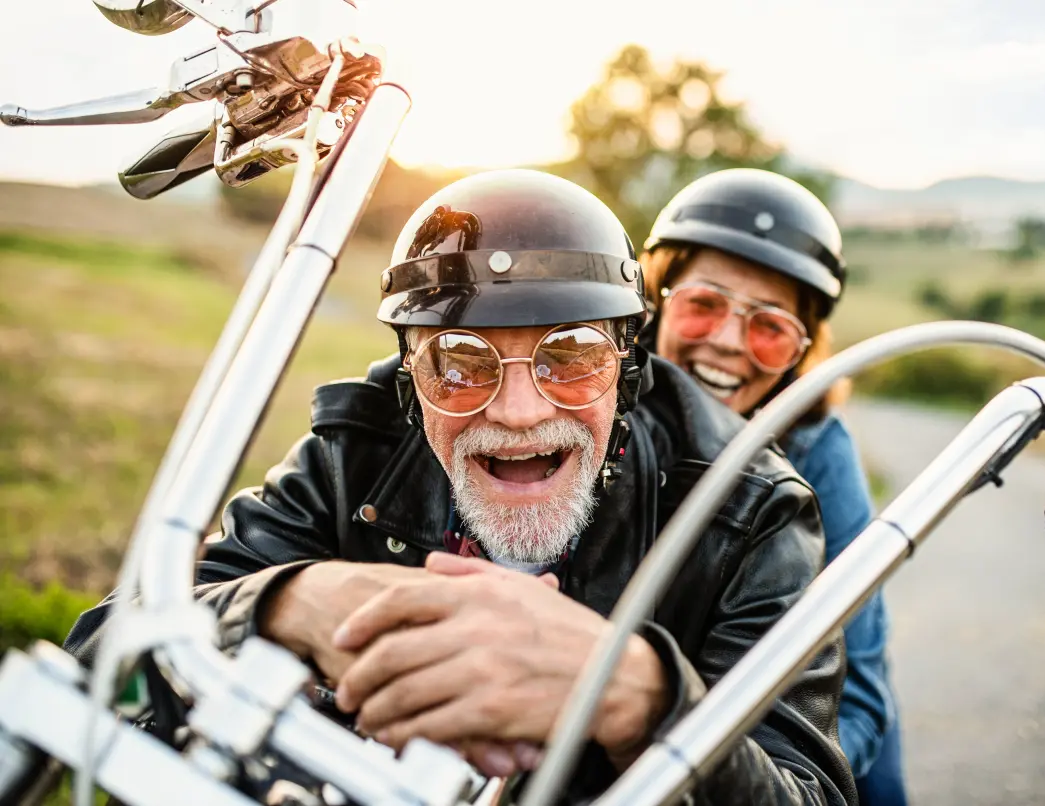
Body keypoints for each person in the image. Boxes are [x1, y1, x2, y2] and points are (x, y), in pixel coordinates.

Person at [64, 169, 859, 805]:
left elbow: (809, 790)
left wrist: (643, 695)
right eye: (460, 361)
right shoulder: (357, 450)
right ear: (412, 383)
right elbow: (101, 658)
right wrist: (285, 603)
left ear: (630, 366)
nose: (518, 412)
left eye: (572, 354)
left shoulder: (754, 510)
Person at [640, 168, 909, 806]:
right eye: (704, 306)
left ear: (802, 349)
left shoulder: (818, 451)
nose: (729, 343)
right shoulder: (595, 408)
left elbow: (859, 695)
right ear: (657, 300)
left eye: (768, 327)